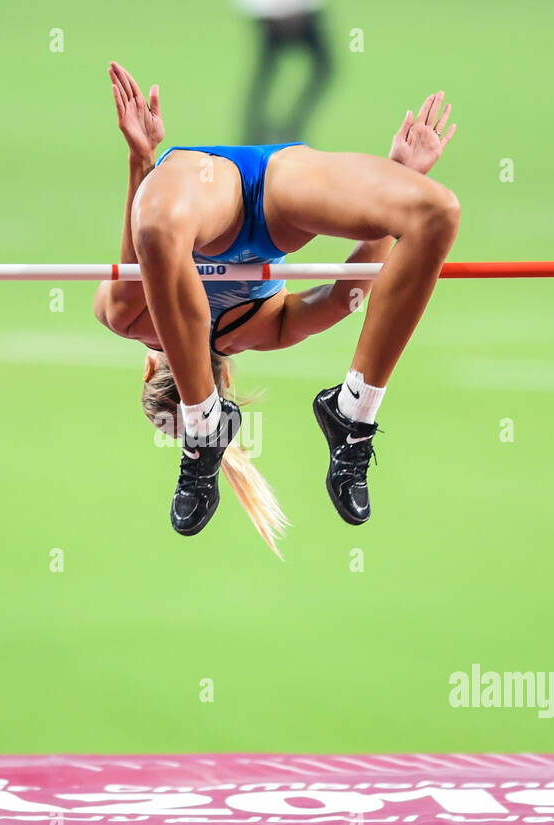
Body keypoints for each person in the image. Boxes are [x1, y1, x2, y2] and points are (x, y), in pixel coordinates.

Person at [94, 62, 459, 552]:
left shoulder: (137, 316)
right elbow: (344, 294)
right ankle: (353, 414)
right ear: (146, 371)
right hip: (274, 192)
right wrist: (393, 189)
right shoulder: (250, 329)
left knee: (159, 227)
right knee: (435, 213)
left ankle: (205, 429)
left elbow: (347, 292)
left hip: (208, 193)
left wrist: (143, 159)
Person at [237, 0, 332, 143]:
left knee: (323, 68)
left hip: (296, 13)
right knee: (266, 74)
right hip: (272, 15)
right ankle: (257, 133)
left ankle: (288, 129)